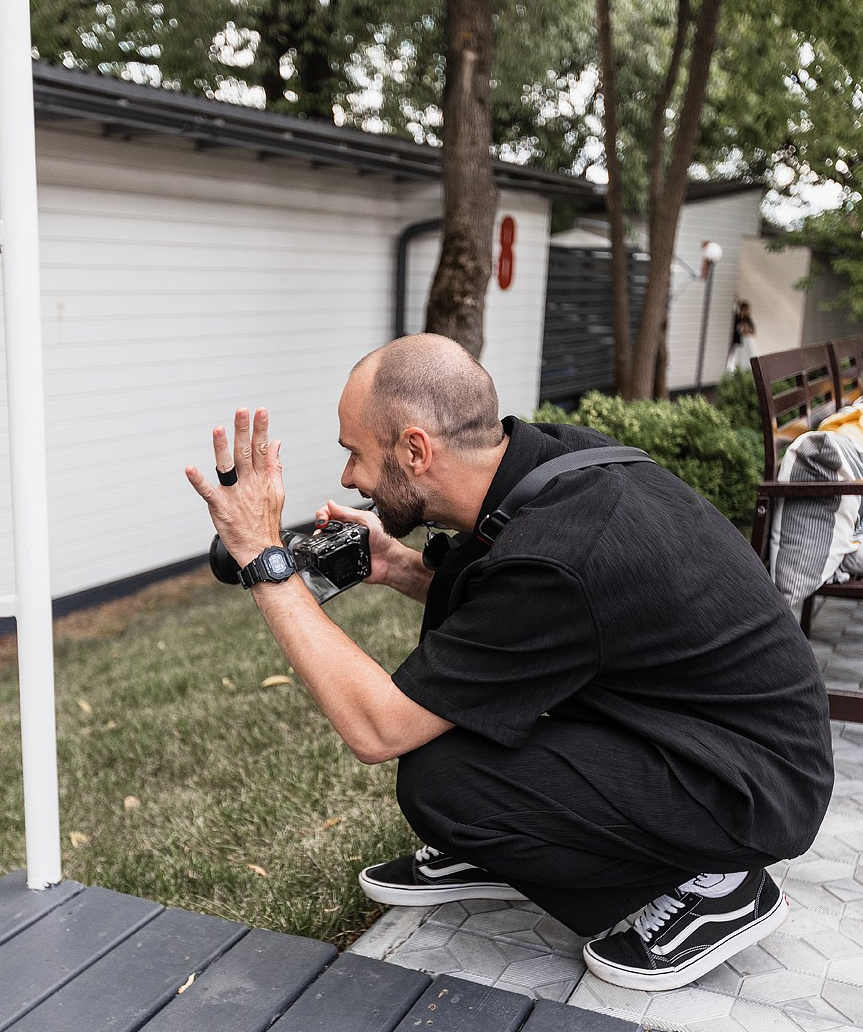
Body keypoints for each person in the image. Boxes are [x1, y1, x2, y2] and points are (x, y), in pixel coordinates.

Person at [186, 333, 833, 992]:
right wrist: (397, 564)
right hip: (699, 725)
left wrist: (264, 559)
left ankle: (717, 883)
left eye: (355, 453)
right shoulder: (551, 464)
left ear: (415, 449)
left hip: (749, 785)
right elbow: (518, 609)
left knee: (443, 781)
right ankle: (506, 851)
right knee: (456, 675)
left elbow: (376, 729)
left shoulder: (557, 554)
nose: (349, 478)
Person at [728, 299, 756, 370]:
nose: (745, 312)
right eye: (743, 310)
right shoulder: (737, 318)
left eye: (746, 310)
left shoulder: (748, 320)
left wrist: (747, 331)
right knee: (736, 359)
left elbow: (753, 332)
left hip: (746, 342)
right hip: (737, 342)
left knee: (746, 357)